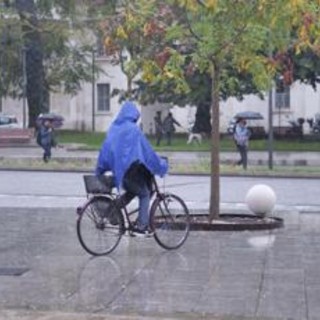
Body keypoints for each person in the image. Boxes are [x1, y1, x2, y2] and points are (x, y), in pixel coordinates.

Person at [95, 101, 168, 237]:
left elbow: (105, 151)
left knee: (132, 191)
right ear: (133, 115)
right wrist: (161, 164)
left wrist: (99, 170)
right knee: (145, 193)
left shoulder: (114, 129)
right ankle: (141, 227)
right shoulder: (133, 130)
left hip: (120, 175)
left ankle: (112, 211)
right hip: (130, 173)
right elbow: (147, 152)